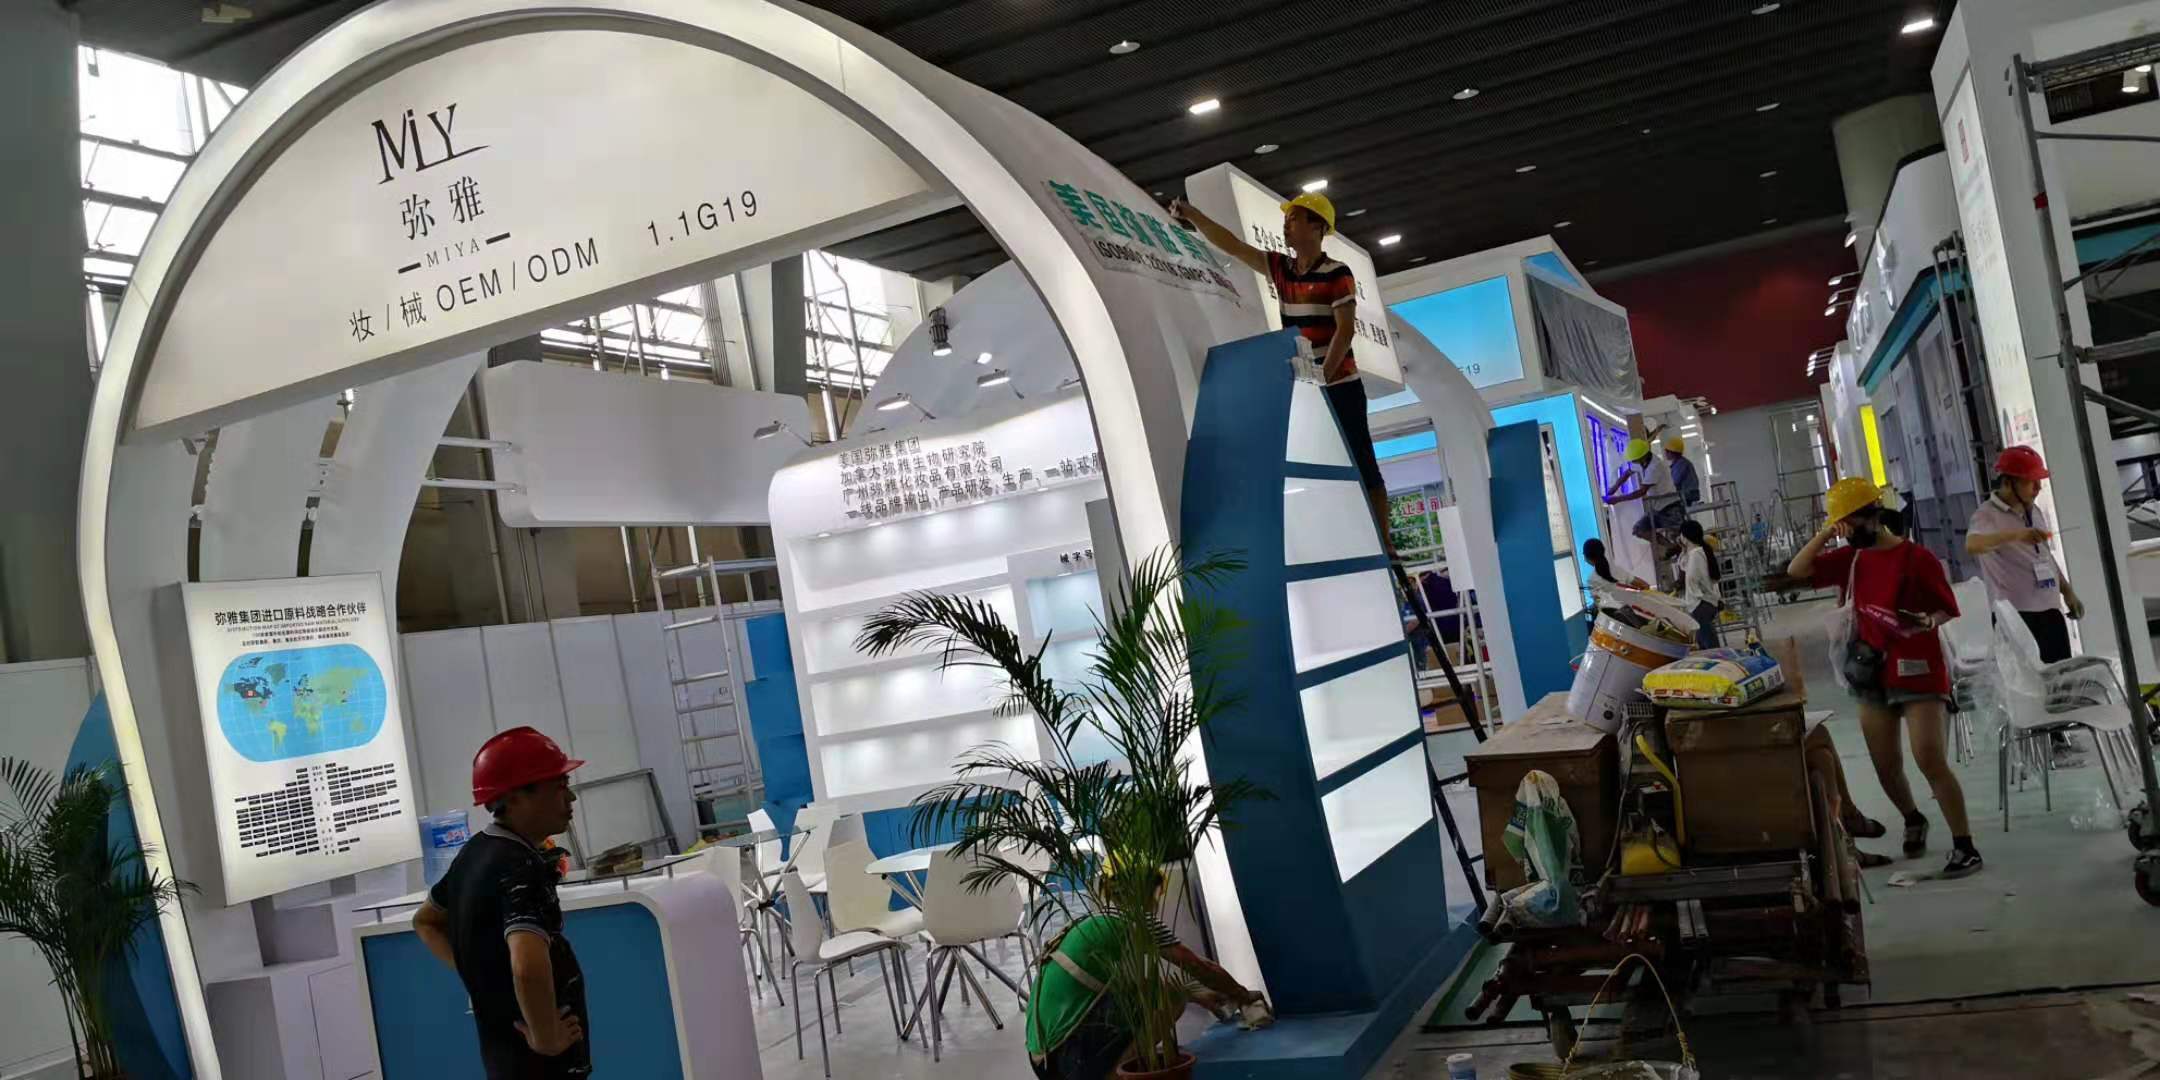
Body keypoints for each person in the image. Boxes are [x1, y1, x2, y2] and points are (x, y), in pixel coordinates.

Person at [1789, 477, 1982, 879]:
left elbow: (1947, 609)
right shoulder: (1851, 559)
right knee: (1885, 764)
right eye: (1842, 526)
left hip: (1919, 668)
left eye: (1853, 524)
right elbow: (1797, 569)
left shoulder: (1917, 558)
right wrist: (1826, 532)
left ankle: (1965, 845)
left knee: (1928, 756)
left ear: (1875, 517)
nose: (1848, 534)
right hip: (1870, 672)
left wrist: (1927, 621)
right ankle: (1913, 818)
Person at [1169, 193, 1385, 528]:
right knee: (1321, 463)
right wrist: (1193, 214)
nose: (1286, 226)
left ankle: (1385, 539)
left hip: (1341, 386)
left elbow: (1344, 331)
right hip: (1307, 386)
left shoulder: (1337, 273)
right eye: (1286, 220)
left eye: (1294, 219)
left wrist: (1323, 377)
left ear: (1318, 226)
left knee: (1362, 459)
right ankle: (1341, 529)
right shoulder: (1281, 269)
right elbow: (1233, 245)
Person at [412, 727, 591, 1078]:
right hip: (540, 1066)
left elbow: (426, 921)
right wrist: (546, 1037)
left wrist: (483, 982)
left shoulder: (477, 851)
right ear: (515, 797)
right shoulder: (519, 866)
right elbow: (527, 964)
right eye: (559, 786)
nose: (571, 797)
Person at [1026, 861, 1269, 1079]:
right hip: (1071, 1058)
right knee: (1171, 997)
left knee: (1164, 990)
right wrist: (1243, 994)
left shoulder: (1094, 921)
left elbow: (1129, 988)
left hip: (1045, 1062)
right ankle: (1114, 1075)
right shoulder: (1134, 919)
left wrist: (1195, 995)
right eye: (1159, 893)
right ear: (1149, 892)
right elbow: (1198, 966)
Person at [1966, 446, 2090, 764]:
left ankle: (2058, 738)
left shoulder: (2035, 511)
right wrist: (2014, 535)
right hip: (2016, 615)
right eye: (2031, 482)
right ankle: (2035, 747)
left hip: (2048, 609)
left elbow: (2045, 558)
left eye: (2039, 481)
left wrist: (2068, 592)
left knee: (2057, 679)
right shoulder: (1986, 515)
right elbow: (1973, 544)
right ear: (2008, 482)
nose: (2038, 488)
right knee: (2026, 685)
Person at [1603, 437, 1685, 544]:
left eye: (1634, 460)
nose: (1632, 462)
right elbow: (1627, 473)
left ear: (1641, 457)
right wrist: (1614, 487)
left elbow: (1642, 491)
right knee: (1638, 530)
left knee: (1678, 536)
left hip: (1670, 507)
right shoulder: (1642, 462)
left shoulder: (1655, 467)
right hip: (1656, 508)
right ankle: (1672, 547)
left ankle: (1678, 548)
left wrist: (1617, 499)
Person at [1675, 521, 1722, 650]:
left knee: (1709, 645)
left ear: (1684, 536)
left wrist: (1692, 594)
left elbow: (1691, 577)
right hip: (1704, 603)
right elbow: (1683, 565)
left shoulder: (1696, 554)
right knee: (1705, 642)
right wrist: (1684, 548)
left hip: (1700, 603)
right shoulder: (1697, 552)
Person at [1663, 434, 1702, 508]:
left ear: (1672, 452)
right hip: (1687, 494)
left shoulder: (1681, 464)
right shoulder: (1679, 463)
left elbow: (1674, 481)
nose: (1665, 454)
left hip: (1688, 495)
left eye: (1667, 451)